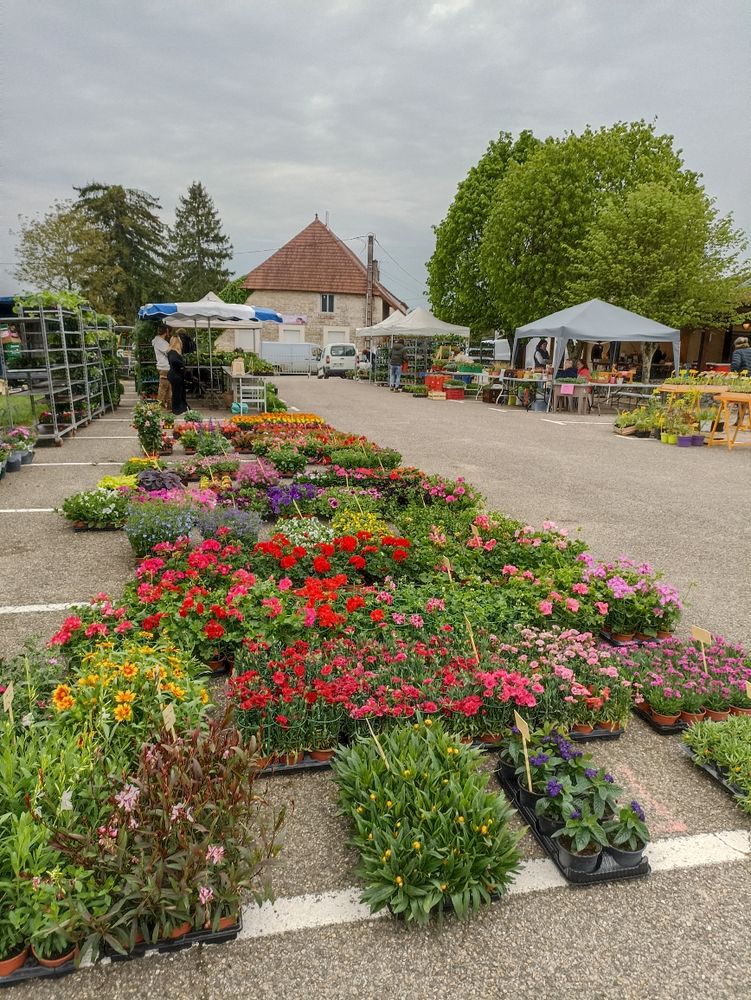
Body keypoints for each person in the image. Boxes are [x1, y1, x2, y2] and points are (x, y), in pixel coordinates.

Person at [151, 325, 172, 409]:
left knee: (168, 387)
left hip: (165, 367)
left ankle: (169, 406)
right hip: (165, 367)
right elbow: (169, 352)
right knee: (164, 388)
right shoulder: (160, 342)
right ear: (166, 332)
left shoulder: (160, 341)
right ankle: (160, 407)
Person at [167, 335, 188, 415]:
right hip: (175, 375)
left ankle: (183, 408)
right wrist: (182, 365)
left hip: (176, 375)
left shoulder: (172, 352)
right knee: (177, 393)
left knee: (180, 392)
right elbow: (173, 360)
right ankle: (177, 410)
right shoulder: (173, 352)